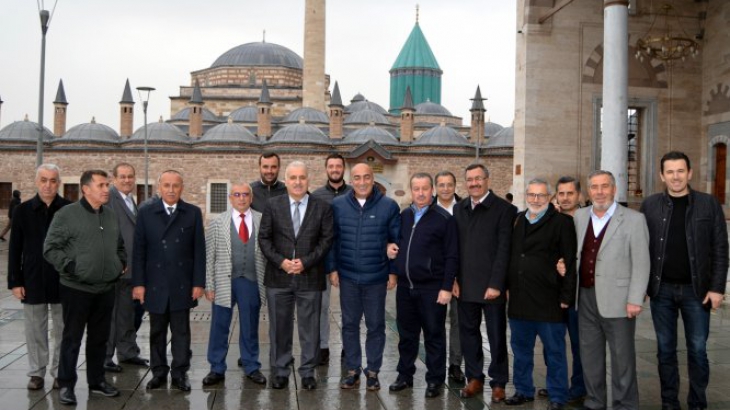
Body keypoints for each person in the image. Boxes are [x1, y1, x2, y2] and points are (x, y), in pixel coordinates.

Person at [640, 151, 728, 410]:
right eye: (670, 171)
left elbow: (720, 248)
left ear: (689, 173)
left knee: (698, 351)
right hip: (661, 290)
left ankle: (697, 403)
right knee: (665, 350)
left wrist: (717, 288)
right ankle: (669, 403)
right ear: (662, 176)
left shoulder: (708, 204)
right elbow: (640, 246)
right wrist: (642, 286)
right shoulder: (650, 205)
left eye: (680, 171)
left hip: (697, 291)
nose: (675, 176)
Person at [43, 169, 126, 405]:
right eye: (100, 185)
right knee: (72, 338)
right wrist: (71, 267)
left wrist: (121, 262)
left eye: (106, 185)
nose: (106, 189)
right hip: (76, 289)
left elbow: (119, 245)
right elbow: (50, 248)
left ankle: (97, 381)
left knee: (99, 339)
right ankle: (66, 384)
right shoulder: (67, 214)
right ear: (86, 189)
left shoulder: (110, 215)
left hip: (106, 288)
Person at [573, 170, 650, 410]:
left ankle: (625, 404)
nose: (599, 192)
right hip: (584, 296)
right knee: (590, 354)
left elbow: (641, 262)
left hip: (619, 299)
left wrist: (635, 298)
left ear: (614, 189)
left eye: (604, 186)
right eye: (594, 187)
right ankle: (594, 401)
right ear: (588, 191)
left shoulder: (634, 219)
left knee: (622, 358)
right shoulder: (579, 216)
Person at [259, 161, 334, 390]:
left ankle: (308, 372)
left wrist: (306, 262)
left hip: (309, 277)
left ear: (308, 180)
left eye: (302, 178)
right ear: (286, 180)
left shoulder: (322, 207)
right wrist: (282, 262)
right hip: (278, 278)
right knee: (279, 327)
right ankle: (280, 370)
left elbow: (326, 240)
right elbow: (264, 239)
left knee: (309, 328)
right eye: (293, 178)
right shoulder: (273, 206)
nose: (298, 182)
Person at [504, 178, 576, 410]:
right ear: (526, 196)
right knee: (521, 350)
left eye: (541, 196)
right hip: (519, 299)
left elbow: (570, 260)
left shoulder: (562, 222)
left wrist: (566, 297)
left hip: (549, 300)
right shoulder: (516, 220)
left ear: (549, 197)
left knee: (554, 352)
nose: (536, 200)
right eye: (532, 195)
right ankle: (523, 390)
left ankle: (557, 395)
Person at [328, 163, 400, 391]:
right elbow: (332, 240)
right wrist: (332, 269)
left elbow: (396, 241)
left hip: (376, 278)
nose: (361, 182)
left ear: (373, 179)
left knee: (376, 326)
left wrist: (393, 272)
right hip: (348, 276)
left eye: (366, 177)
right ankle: (352, 370)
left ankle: (373, 371)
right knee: (349, 325)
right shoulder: (338, 205)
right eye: (357, 177)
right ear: (351, 180)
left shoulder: (389, 206)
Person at [132, 170, 206, 392]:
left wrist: (198, 283)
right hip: (155, 283)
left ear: (182, 187)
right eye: (167, 185)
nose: (171, 189)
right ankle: (158, 372)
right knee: (157, 331)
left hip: (181, 283)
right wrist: (138, 283)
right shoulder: (146, 213)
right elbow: (139, 251)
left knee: (181, 331)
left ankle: (180, 373)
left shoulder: (192, 213)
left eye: (175, 185)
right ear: (159, 187)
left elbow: (198, 251)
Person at [387, 172, 458, 399]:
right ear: (411, 190)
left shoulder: (444, 219)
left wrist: (446, 287)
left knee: (434, 335)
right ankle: (404, 375)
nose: (420, 193)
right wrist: (391, 257)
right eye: (416, 188)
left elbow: (452, 256)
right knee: (406, 335)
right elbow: (396, 243)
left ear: (432, 190)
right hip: (406, 288)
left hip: (432, 288)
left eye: (424, 188)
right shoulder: (405, 215)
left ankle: (435, 379)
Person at [452, 163, 516, 401]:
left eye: (478, 179)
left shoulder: (504, 209)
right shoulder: (459, 209)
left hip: (492, 286)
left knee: (497, 336)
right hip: (465, 284)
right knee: (468, 334)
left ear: (487, 180)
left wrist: (497, 284)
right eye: (470, 179)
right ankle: (474, 378)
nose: (474, 183)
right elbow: (454, 249)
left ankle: (499, 382)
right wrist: (453, 279)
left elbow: (504, 250)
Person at [8, 165, 69, 390]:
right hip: (32, 278)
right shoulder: (22, 211)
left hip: (63, 280)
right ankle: (36, 372)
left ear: (58, 183)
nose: (48, 185)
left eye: (53, 181)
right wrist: (15, 282)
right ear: (36, 182)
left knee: (63, 329)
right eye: (43, 180)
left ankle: (60, 372)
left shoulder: (69, 210)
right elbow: (15, 248)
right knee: (35, 330)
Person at [202, 182, 267, 387]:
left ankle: (251, 365)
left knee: (250, 326)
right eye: (237, 194)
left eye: (245, 194)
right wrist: (209, 285)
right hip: (223, 281)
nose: (241, 198)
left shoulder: (261, 220)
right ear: (230, 198)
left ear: (251, 197)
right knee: (219, 326)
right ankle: (216, 367)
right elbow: (209, 256)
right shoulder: (217, 222)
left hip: (250, 281)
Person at [537, 176, 586, 403]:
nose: (565, 198)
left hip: (578, 294)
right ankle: (556, 384)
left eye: (570, 193)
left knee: (579, 344)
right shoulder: (549, 219)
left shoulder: (588, 220)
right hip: (551, 293)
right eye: (561, 193)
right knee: (551, 345)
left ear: (579, 196)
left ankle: (578, 388)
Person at [104, 163, 148, 373]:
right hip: (116, 268)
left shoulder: (130, 199)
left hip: (131, 269)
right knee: (110, 315)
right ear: (114, 179)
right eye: (122, 177)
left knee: (126, 314)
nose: (127, 180)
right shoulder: (109, 198)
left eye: (130, 176)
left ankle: (128, 352)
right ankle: (105, 356)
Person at [311, 153, 352, 365]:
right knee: (322, 306)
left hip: (348, 257)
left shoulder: (354, 193)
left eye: (338, 166)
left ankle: (349, 346)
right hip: (322, 259)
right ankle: (323, 346)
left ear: (344, 168)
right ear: (326, 169)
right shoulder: (316, 196)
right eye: (331, 166)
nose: (335, 169)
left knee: (349, 307)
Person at [433, 170, 465, 383]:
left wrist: (455, 277)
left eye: (449, 184)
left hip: (460, 275)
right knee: (434, 321)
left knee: (458, 321)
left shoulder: (464, 209)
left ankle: (455, 364)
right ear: (435, 187)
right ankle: (436, 364)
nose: (445, 188)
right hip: (434, 275)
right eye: (441, 184)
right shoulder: (426, 208)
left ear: (455, 186)